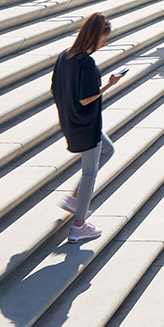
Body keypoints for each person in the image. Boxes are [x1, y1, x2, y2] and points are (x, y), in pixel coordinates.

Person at [51, 12, 122, 244]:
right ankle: (79, 226)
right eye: (103, 40)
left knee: (108, 150)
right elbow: (86, 98)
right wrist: (108, 85)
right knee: (90, 173)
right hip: (86, 123)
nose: (104, 44)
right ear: (93, 37)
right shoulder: (87, 63)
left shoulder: (64, 57)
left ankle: (74, 199)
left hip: (71, 120)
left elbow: (54, 89)